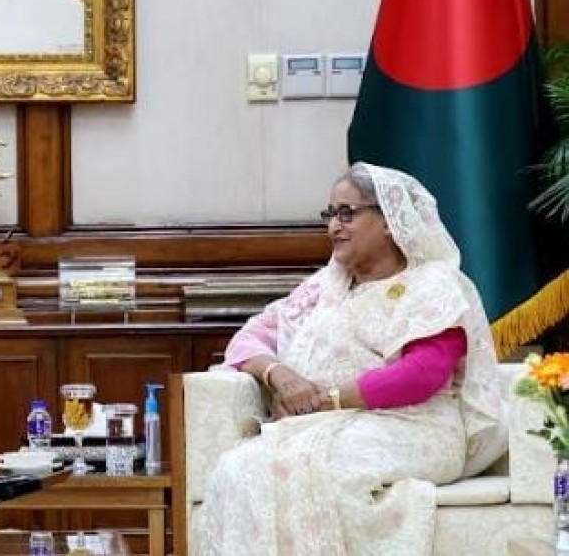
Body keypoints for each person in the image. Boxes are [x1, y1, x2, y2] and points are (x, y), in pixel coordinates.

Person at [194, 162, 504, 556]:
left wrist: (324, 400)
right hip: (320, 425)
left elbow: (423, 374)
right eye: (330, 214)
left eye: (347, 214)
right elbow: (247, 340)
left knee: (315, 471)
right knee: (236, 468)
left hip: (414, 426)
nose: (333, 227)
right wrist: (279, 374)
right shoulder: (324, 287)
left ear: (388, 220)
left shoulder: (433, 284)